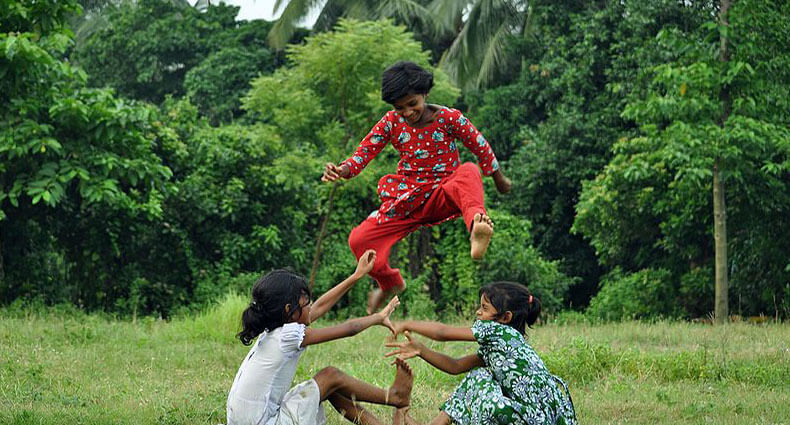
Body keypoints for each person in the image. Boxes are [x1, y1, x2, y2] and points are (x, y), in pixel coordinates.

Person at [322, 61, 512, 314]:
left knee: (468, 171)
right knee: (359, 239)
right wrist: (341, 170)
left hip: (444, 193)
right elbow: (363, 153)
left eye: (413, 104)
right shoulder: (391, 122)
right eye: (400, 108)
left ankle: (476, 228)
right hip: (407, 199)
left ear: (425, 94)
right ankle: (390, 282)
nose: (408, 112)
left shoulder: (449, 118)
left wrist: (498, 178)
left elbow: (479, 144)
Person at [226, 250, 414, 425]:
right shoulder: (287, 335)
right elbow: (349, 328)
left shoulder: (275, 328)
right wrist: (378, 317)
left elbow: (321, 306)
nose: (310, 306)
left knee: (327, 388)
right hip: (265, 422)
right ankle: (395, 396)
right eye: (306, 301)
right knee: (330, 375)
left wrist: (356, 276)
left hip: (248, 420)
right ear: (288, 310)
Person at [385, 282, 577, 425]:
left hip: (533, 419)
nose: (478, 313)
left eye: (484, 308)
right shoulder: (506, 344)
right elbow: (456, 366)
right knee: (480, 375)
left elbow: (443, 332)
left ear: (505, 317)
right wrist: (421, 349)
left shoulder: (497, 331)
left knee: (479, 376)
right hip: (545, 418)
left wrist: (407, 324)